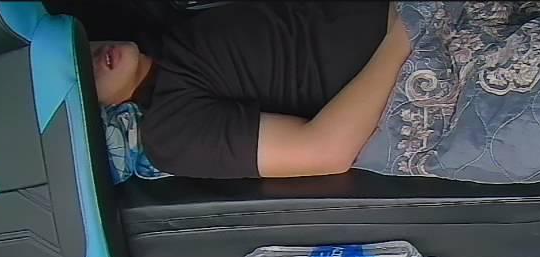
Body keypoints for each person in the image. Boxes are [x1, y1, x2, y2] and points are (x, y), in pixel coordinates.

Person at [91, 2, 411, 179]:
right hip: (410, 57)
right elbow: (324, 150)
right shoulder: (170, 132)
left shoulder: (163, 30)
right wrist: (404, 36)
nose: (90, 57)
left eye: (76, 49)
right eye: (82, 77)